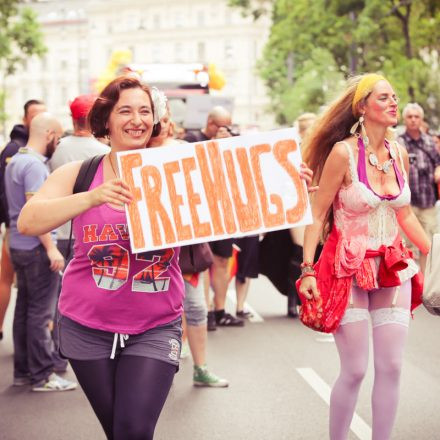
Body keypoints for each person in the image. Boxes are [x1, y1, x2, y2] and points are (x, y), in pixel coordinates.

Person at [18, 76, 184, 439]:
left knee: (133, 430)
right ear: (106, 120)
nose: (137, 119)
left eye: (145, 111)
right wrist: (92, 197)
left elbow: (241, 200)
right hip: (85, 325)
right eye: (125, 110)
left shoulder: (179, 170)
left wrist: (288, 183)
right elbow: (28, 221)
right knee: (117, 432)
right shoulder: (81, 173)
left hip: (155, 324)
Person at [298, 73, 430, 440]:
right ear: (362, 107)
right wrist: (307, 269)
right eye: (384, 97)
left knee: (391, 367)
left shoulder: (399, 152)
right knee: (355, 369)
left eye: (395, 96)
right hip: (347, 270)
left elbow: (404, 215)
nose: (394, 102)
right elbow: (319, 211)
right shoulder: (343, 152)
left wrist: (432, 252)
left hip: (392, 268)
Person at [149, 98, 228, 387]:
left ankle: (201, 367)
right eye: (159, 119)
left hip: (186, 251)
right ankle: (154, 371)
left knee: (195, 307)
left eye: (165, 119)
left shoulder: (185, 151)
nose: (163, 125)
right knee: (155, 313)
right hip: (151, 254)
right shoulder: (132, 155)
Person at [4, 112, 77, 392]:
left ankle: (24, 372)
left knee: (24, 311)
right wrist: (51, 249)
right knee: (40, 314)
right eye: (57, 137)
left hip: (18, 246)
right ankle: (43, 375)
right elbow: (38, 214)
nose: (57, 143)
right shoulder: (35, 167)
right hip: (36, 249)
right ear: (49, 134)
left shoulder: (15, 161)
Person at [0, 99, 46, 341]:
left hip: (18, 233)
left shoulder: (20, 154)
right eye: (35, 115)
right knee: (27, 299)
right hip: (20, 233)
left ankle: (26, 364)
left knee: (25, 300)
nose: (39, 118)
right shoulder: (19, 154)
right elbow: (30, 204)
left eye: (43, 114)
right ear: (26, 118)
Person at [49, 94, 110, 260]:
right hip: (94, 232)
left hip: (60, 227)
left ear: (72, 118)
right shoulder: (105, 153)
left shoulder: (57, 149)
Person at [397, 103, 440, 273]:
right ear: (405, 119)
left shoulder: (430, 142)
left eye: (417, 117)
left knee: (427, 244)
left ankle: (424, 284)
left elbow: (438, 163)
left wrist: (438, 171)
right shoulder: (398, 143)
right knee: (405, 245)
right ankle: (408, 283)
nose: (413, 120)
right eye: (410, 117)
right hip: (407, 204)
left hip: (427, 202)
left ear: (421, 119)